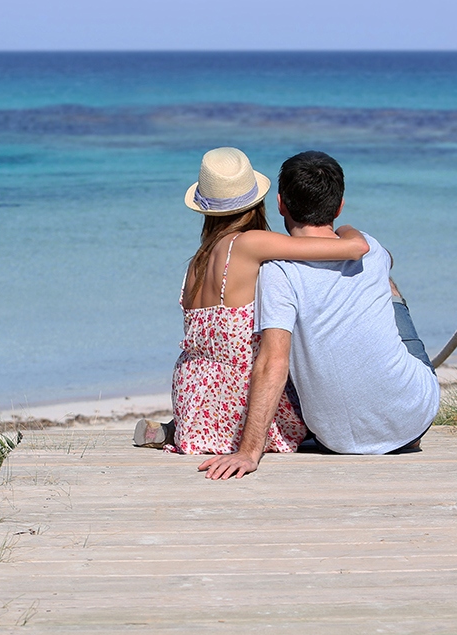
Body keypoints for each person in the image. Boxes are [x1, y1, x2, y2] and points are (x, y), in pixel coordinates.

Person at [199, 150, 440, 480]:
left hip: (336, 438)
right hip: (415, 417)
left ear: (281, 204)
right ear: (339, 207)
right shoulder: (370, 245)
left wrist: (248, 451)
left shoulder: (277, 271)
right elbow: (387, 259)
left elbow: (273, 362)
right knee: (388, 286)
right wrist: (351, 230)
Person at [138, 147, 371, 456]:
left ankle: (172, 429)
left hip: (193, 404)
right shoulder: (249, 244)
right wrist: (347, 230)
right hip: (240, 408)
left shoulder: (197, 262)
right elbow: (353, 249)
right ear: (260, 201)